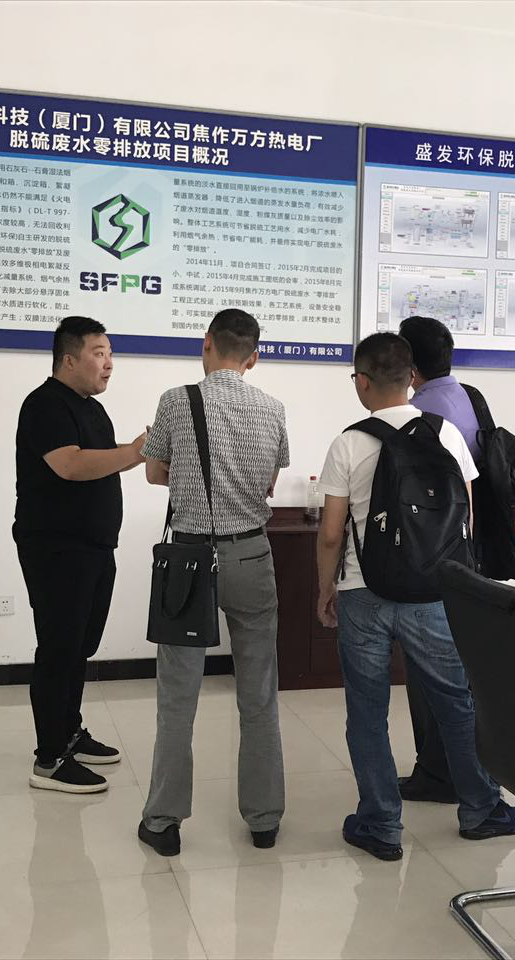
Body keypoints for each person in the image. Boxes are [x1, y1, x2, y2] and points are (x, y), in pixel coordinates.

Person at [314, 332, 515, 860]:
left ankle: (380, 824)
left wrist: (325, 588)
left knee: (367, 711)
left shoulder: (348, 443)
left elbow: (331, 532)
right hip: (433, 595)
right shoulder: (447, 434)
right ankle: (481, 809)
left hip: (363, 593)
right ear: (411, 379)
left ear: (363, 382)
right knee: (455, 702)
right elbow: (466, 521)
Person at [139, 308, 290, 857]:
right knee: (259, 694)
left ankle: (164, 821)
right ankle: (264, 819)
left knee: (178, 697)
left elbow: (154, 471)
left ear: (207, 344)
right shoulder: (272, 408)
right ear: (254, 357)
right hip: (251, 555)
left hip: (189, 561)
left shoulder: (175, 401)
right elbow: (270, 481)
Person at [14, 316, 147, 794]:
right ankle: (49, 758)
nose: (109, 363)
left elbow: (102, 460)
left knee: (79, 646)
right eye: (98, 353)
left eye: (110, 353)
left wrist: (141, 451)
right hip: (56, 547)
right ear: (68, 359)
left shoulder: (92, 409)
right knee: (59, 648)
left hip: (93, 546)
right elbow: (69, 465)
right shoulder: (45, 404)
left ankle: (69, 731)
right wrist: (135, 452)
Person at [394, 315, 481, 804]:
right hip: (463, 553)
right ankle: (453, 769)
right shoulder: (465, 397)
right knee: (452, 667)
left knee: (431, 672)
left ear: (409, 363)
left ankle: (438, 772)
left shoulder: (422, 414)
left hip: (433, 561)